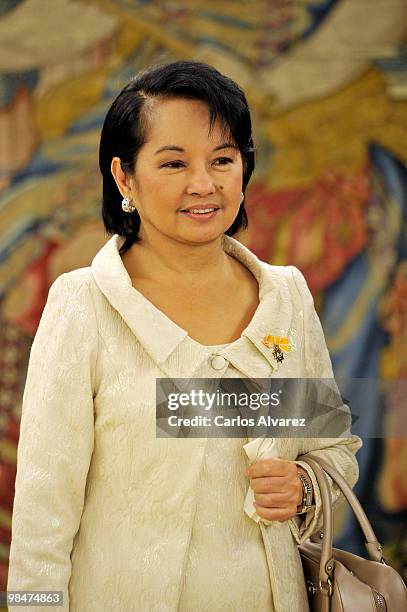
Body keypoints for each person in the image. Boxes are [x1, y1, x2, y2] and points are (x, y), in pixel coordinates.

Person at [7, 60, 362, 612]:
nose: (204, 184)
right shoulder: (85, 305)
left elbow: (331, 446)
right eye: (173, 163)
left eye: (222, 160)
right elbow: (42, 517)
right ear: (124, 177)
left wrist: (304, 487)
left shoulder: (284, 300)